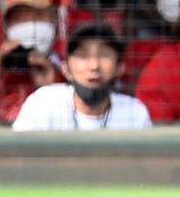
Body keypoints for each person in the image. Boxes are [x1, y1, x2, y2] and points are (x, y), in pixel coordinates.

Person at [12, 23, 151, 131]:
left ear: (120, 68)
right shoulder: (43, 104)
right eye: (83, 56)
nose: (94, 65)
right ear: (66, 69)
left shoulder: (134, 113)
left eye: (104, 55)